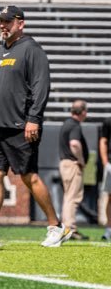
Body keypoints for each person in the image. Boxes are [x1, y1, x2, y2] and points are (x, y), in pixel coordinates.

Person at [0, 5, 72, 248]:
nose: (2, 25)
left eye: (7, 21)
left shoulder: (32, 49)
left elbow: (42, 87)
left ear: (20, 23)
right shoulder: (0, 51)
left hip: (20, 125)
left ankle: (56, 226)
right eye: (0, 21)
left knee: (28, 177)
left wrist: (34, 118)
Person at [59, 100, 89, 240]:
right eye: (86, 110)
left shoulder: (67, 123)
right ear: (82, 112)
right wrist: (81, 160)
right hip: (72, 164)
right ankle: (70, 229)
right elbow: (75, 144)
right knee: (73, 198)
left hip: (65, 164)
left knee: (68, 197)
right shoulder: (75, 125)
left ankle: (66, 227)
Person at [99, 117, 111, 241]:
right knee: (110, 197)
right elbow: (103, 141)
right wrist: (105, 162)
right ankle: (109, 228)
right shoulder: (108, 121)